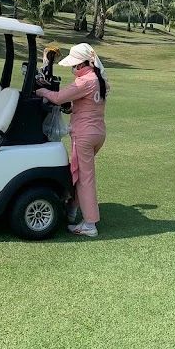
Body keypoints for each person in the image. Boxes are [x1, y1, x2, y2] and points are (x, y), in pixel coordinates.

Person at [34, 43, 109, 238]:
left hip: (84, 135)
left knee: (84, 179)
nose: (73, 68)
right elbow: (84, 104)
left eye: (75, 65)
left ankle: (90, 224)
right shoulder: (99, 79)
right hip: (98, 133)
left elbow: (59, 97)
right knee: (77, 171)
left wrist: (42, 92)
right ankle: (72, 210)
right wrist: (70, 108)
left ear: (83, 64)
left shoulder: (85, 81)